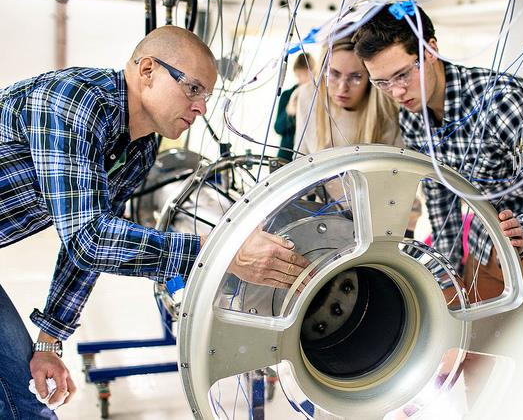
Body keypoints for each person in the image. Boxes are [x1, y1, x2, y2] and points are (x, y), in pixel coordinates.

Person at [0, 26, 308, 418]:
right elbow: (89, 238)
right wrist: (220, 250)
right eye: (192, 88)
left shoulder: (141, 149)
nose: (201, 108)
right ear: (147, 70)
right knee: (20, 406)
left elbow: (88, 246)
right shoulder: (72, 102)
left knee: (23, 402)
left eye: (207, 97)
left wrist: (49, 341)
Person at [353, 4, 523, 305]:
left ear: (430, 50)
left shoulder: (502, 102)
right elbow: (440, 196)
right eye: (382, 82)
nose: (396, 92)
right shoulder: (412, 118)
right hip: (483, 239)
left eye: (402, 75)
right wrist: (444, 274)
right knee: (479, 337)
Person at [294, 36, 402, 155]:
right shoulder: (309, 95)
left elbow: (396, 169)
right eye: (334, 74)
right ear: (322, 71)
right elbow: (300, 156)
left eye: (356, 77)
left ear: (371, 79)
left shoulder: (386, 108)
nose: (342, 88)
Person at [273, 52, 315, 161]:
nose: (302, 79)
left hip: (310, 155)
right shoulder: (287, 95)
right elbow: (278, 128)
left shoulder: (319, 97)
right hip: (286, 155)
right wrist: (289, 112)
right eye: (299, 75)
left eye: (306, 75)